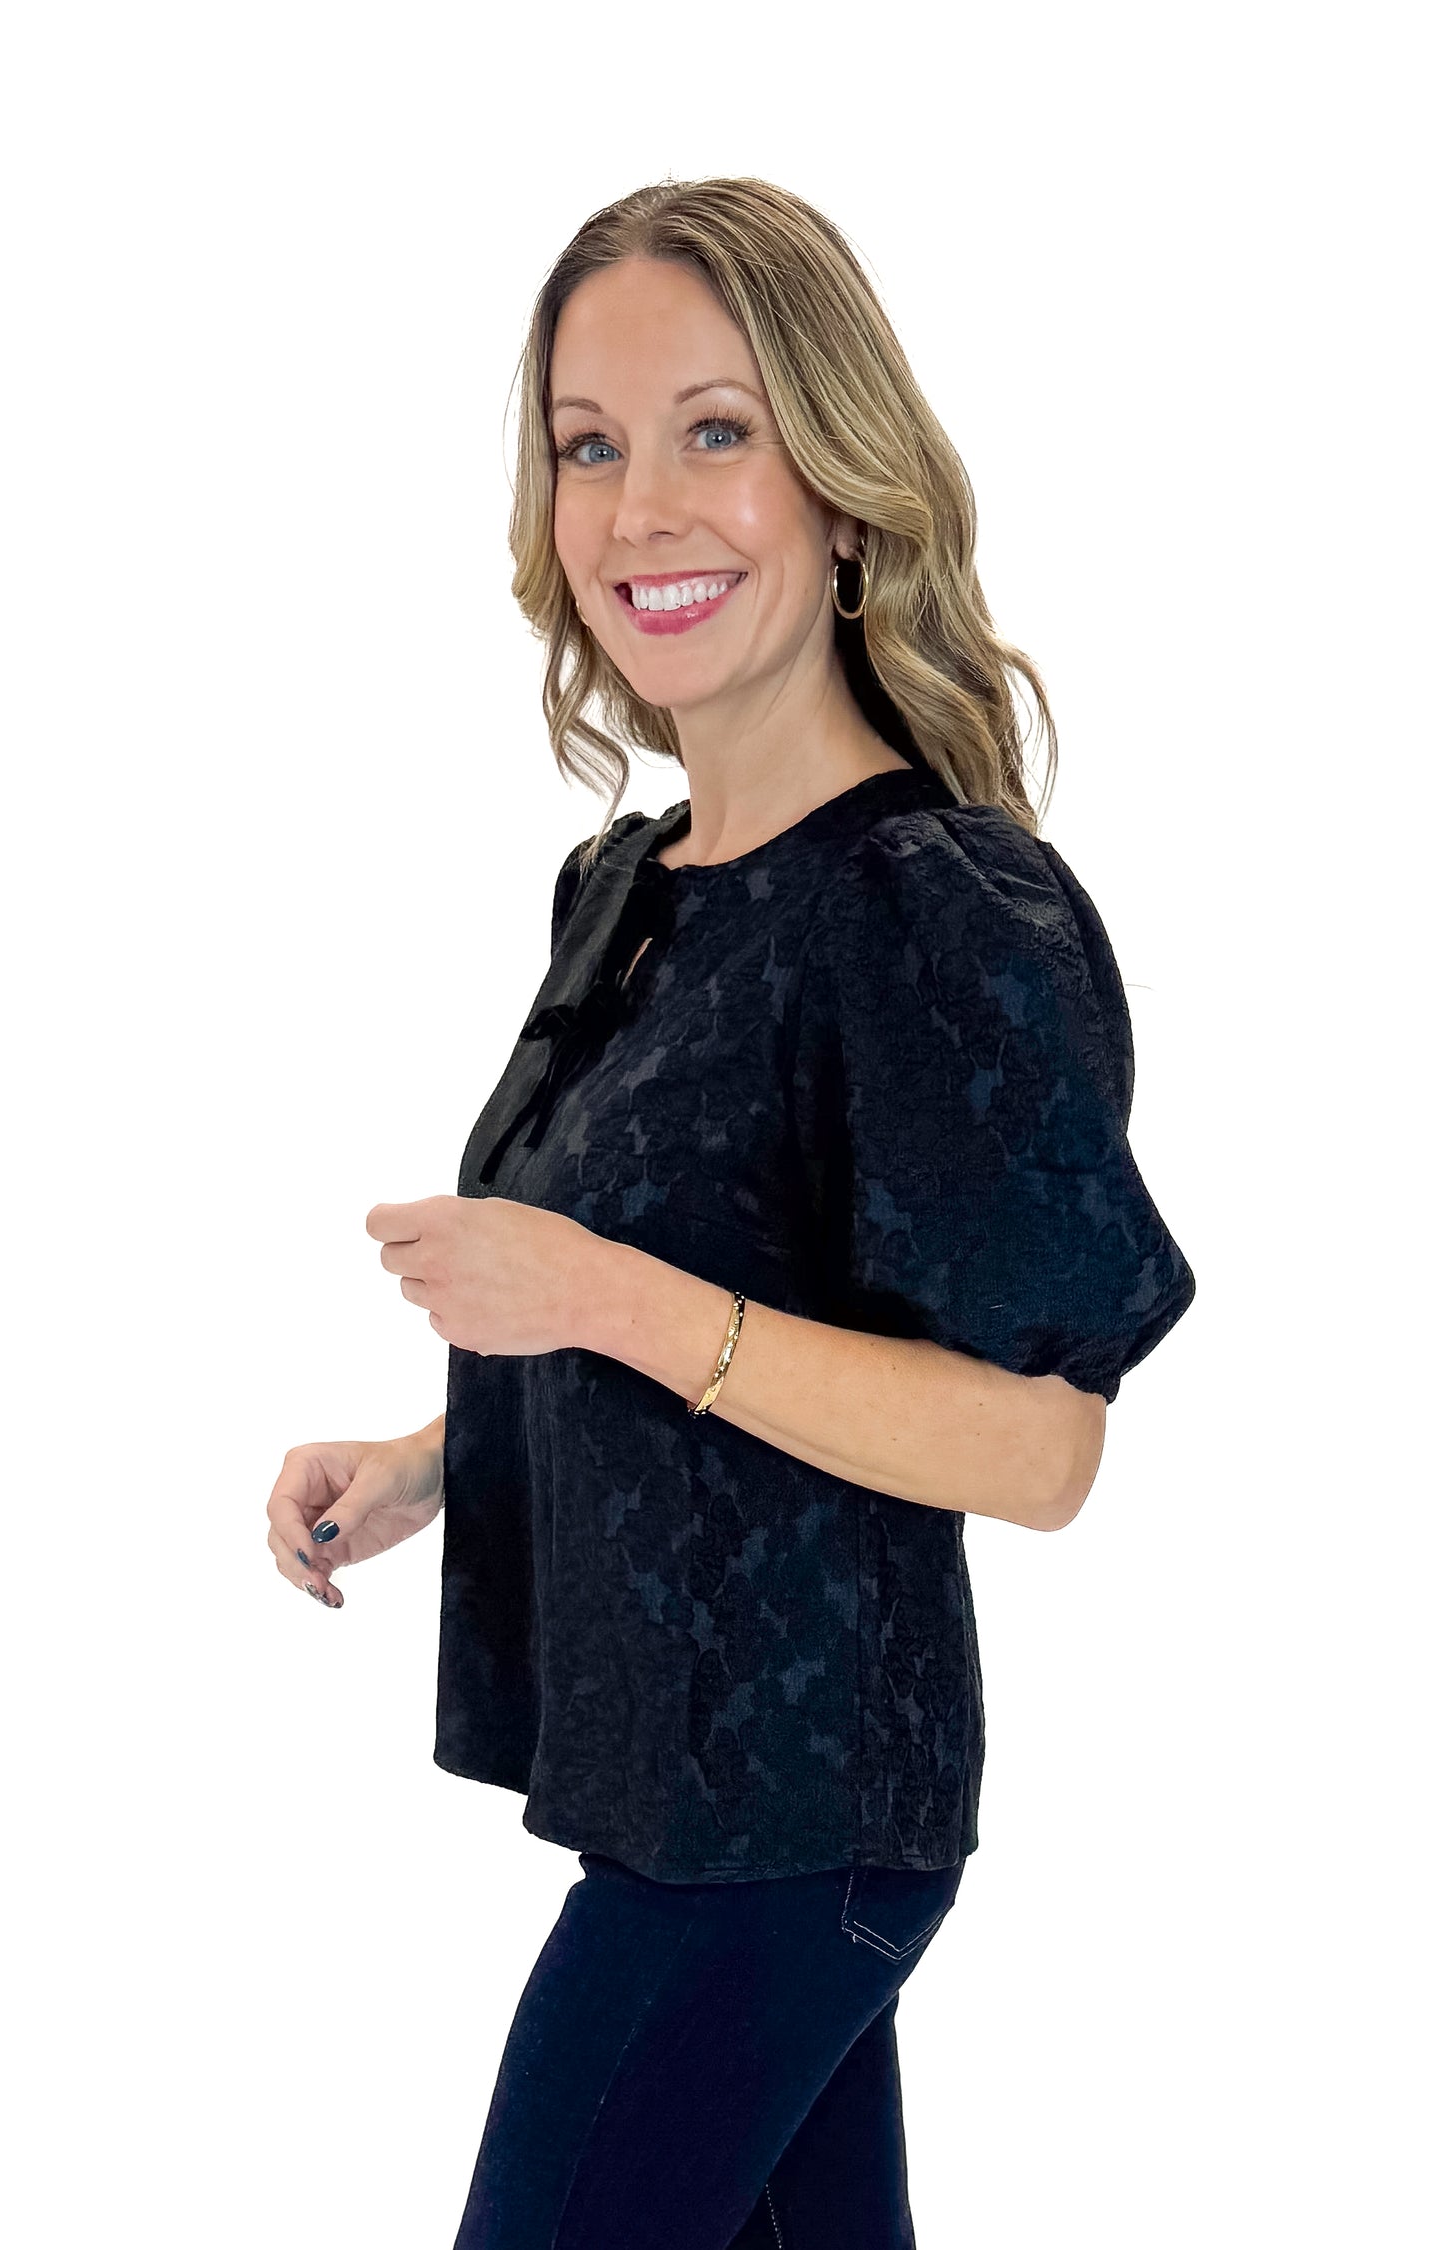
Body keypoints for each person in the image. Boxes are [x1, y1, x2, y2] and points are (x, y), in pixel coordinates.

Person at [265, 176, 1197, 2249]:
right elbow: (721, 1295)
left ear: (845, 489)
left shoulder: (937, 910)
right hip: (675, 1787)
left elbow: (1043, 1446)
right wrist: (433, 1457)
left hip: (795, 1818)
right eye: (588, 445)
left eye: (717, 430)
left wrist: (600, 1292)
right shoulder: (628, 891)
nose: (642, 509)